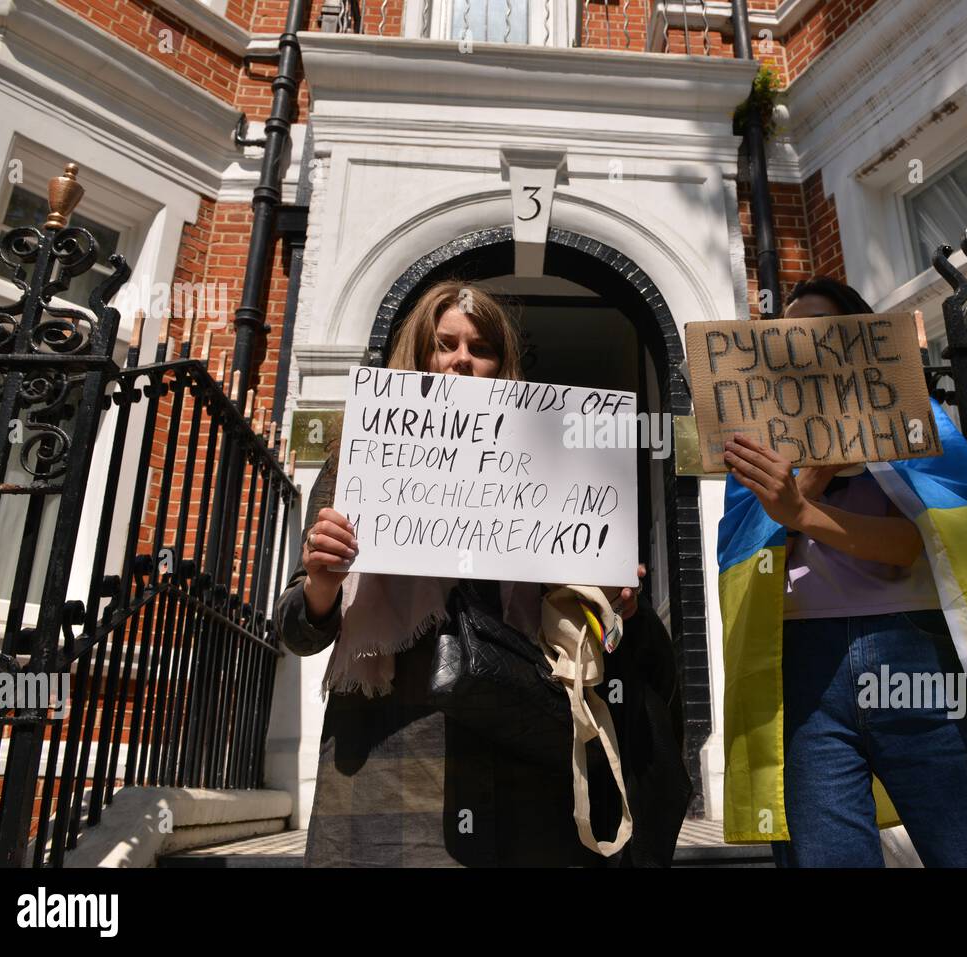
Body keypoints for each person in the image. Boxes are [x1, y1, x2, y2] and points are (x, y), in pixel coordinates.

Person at [274, 279, 688, 866]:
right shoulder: (357, 458)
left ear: (501, 364)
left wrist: (609, 598)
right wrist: (322, 581)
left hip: (518, 739)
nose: (462, 359)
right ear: (419, 355)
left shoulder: (553, 463)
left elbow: (593, 627)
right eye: (444, 344)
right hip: (393, 749)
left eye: (481, 347)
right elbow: (295, 630)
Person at [717, 275, 967, 867]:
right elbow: (753, 561)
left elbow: (912, 547)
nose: (807, 349)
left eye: (825, 333)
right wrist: (810, 477)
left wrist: (802, 507)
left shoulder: (919, 428)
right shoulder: (756, 452)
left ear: (863, 340)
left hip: (912, 651)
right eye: (787, 340)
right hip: (801, 667)